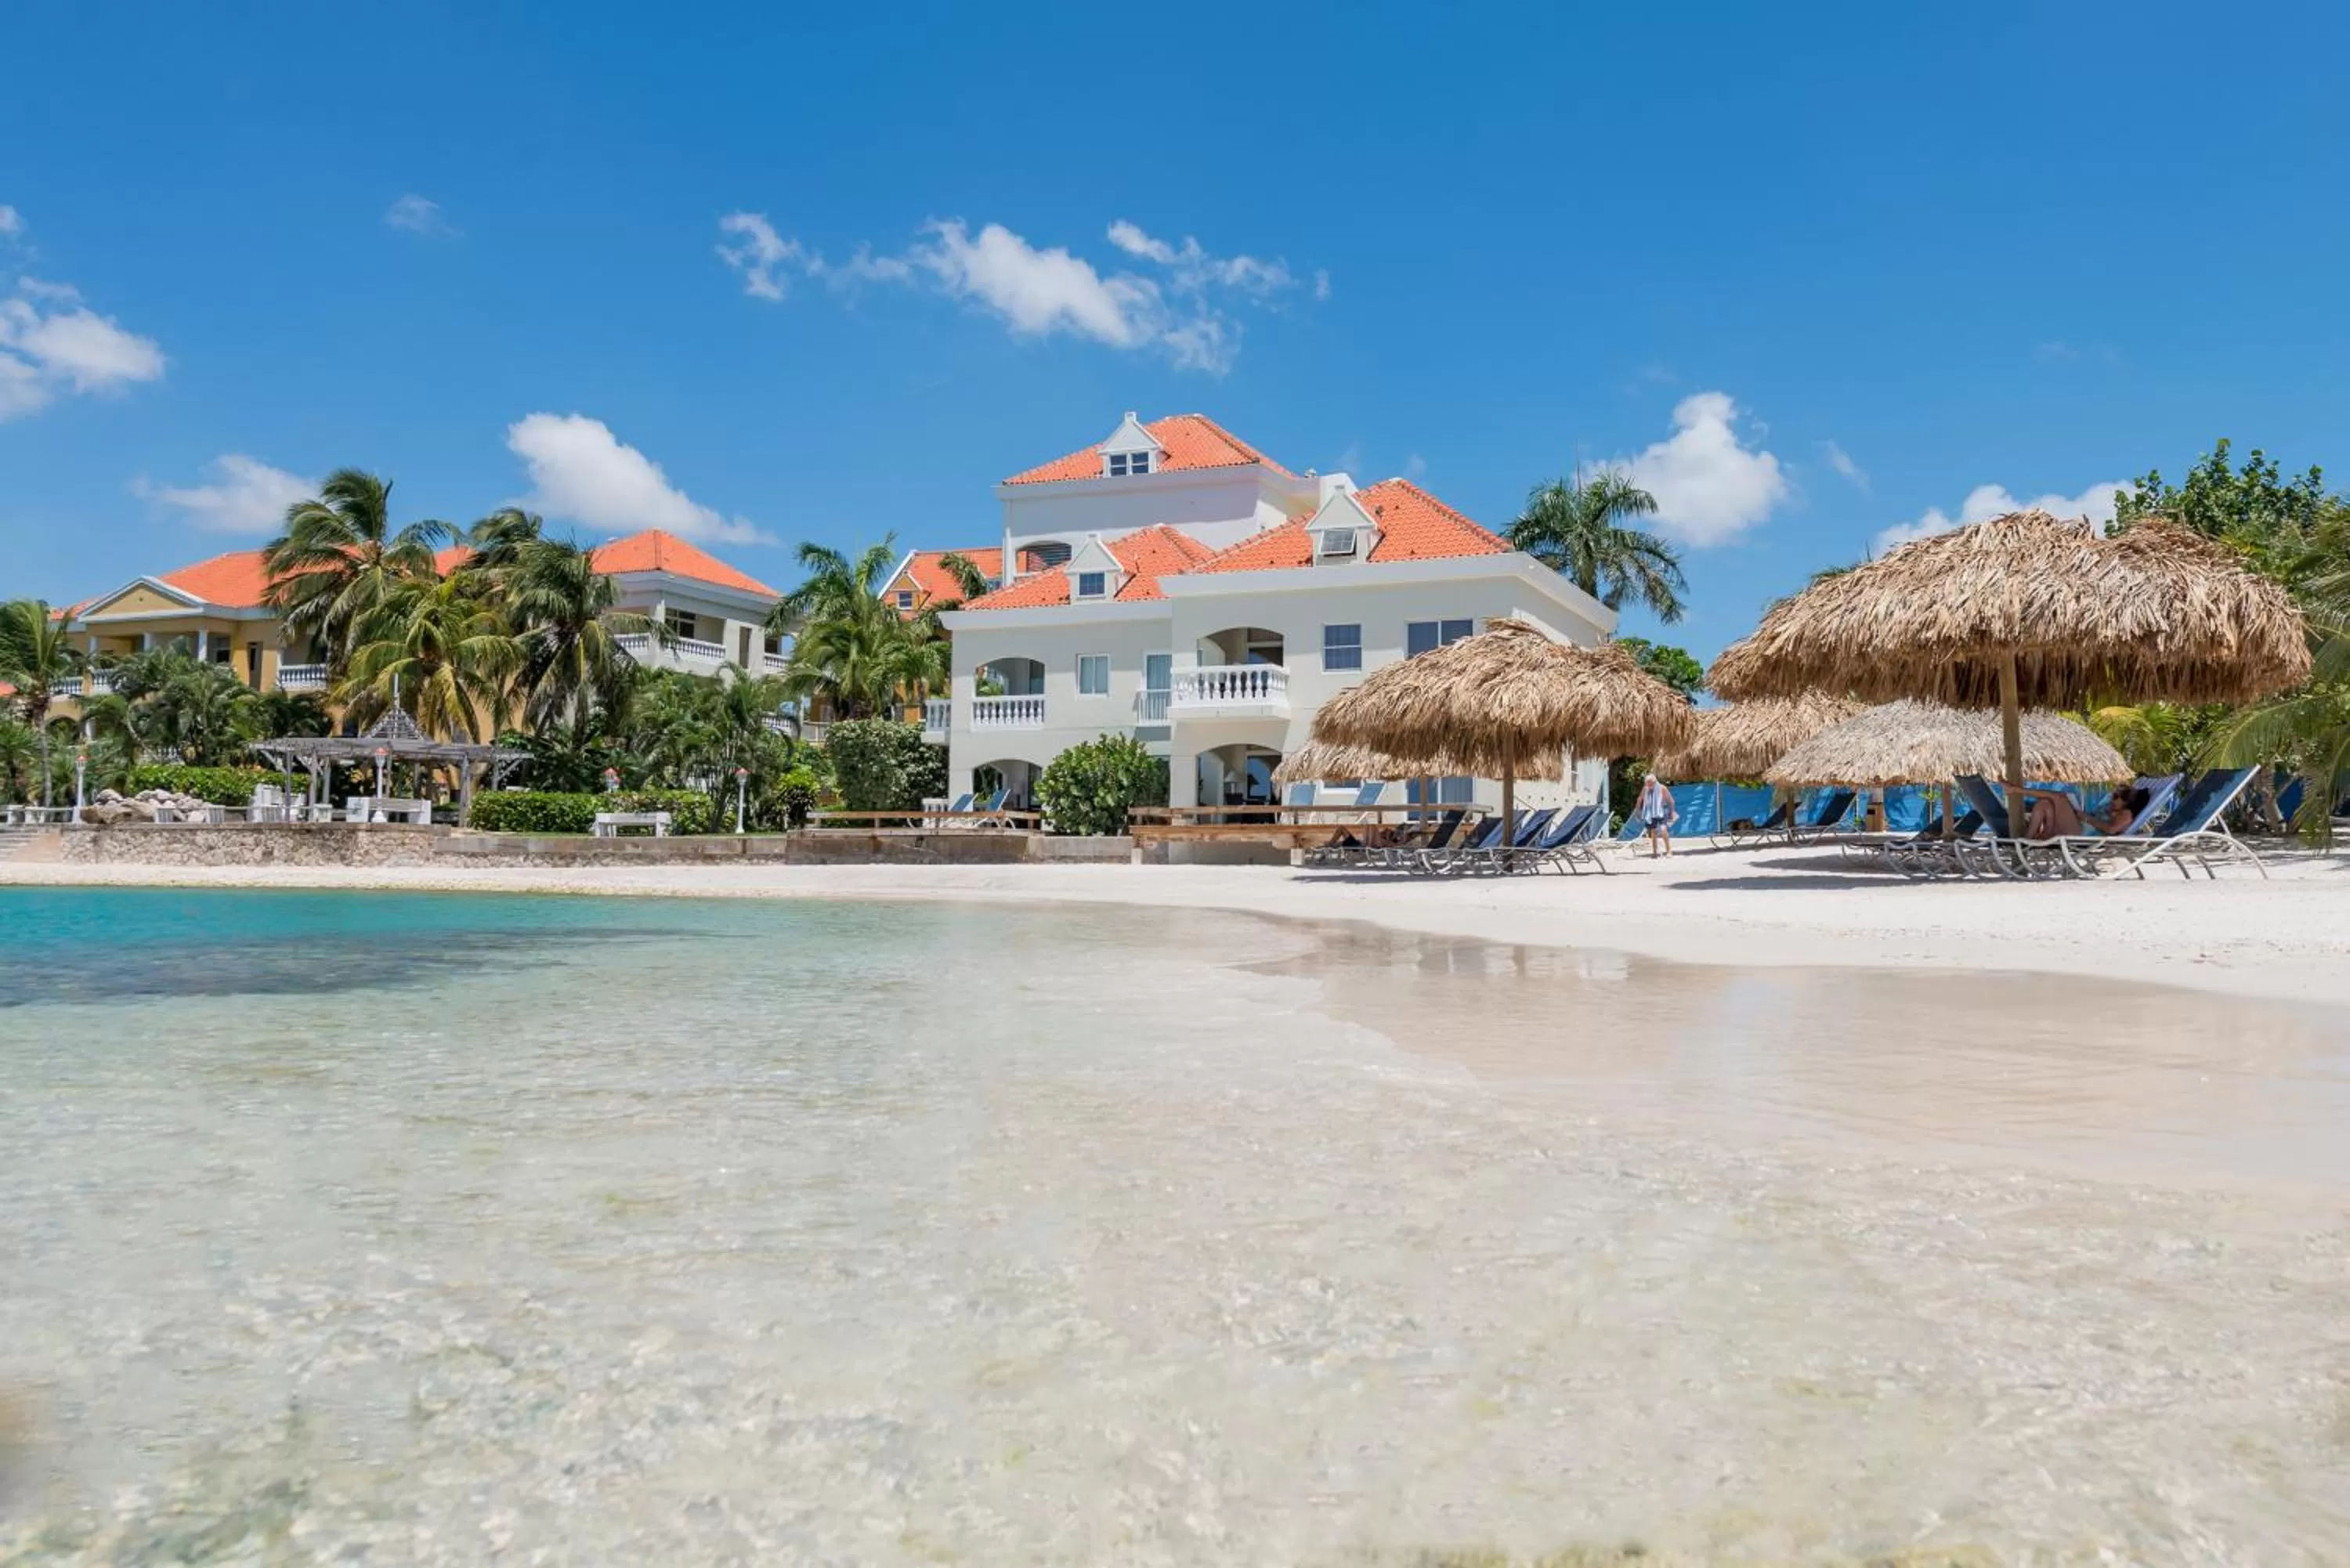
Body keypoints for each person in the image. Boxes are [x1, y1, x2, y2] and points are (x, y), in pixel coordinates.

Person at [2024, 784, 2148, 840]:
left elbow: (2111, 830)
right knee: (2044, 803)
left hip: (2082, 835)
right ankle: (2027, 840)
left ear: (2126, 802)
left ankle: (2019, 791)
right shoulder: (2111, 808)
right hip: (2078, 827)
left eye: (2115, 797)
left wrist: (2086, 817)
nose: (2111, 798)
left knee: (2059, 797)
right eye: (2112, 795)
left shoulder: (2126, 814)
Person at [1633, 771, 1677, 858]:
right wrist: (1637, 812)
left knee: (1663, 830)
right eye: (1647, 784)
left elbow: (1671, 801)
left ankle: (1669, 851)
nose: (1649, 786)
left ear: (1655, 782)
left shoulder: (1662, 788)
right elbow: (1640, 799)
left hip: (1662, 811)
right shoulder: (1645, 789)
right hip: (1651, 812)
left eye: (1650, 784)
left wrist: (1672, 813)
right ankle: (1655, 852)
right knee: (1653, 832)